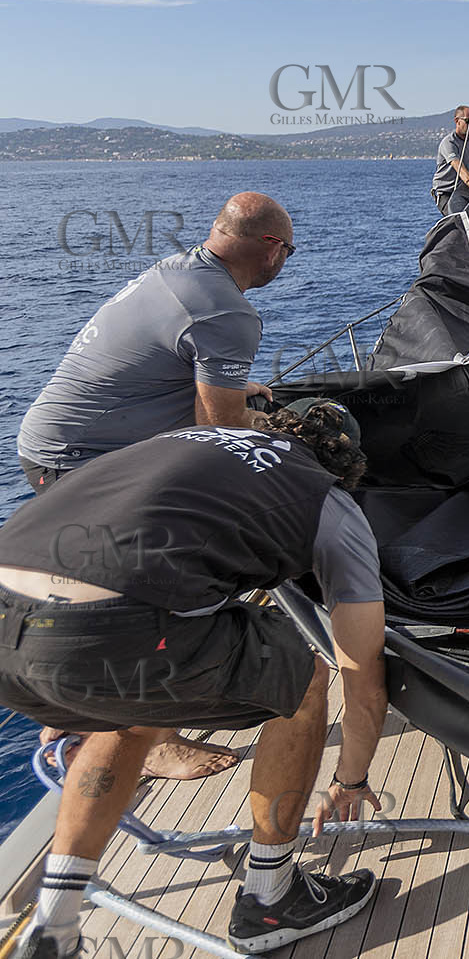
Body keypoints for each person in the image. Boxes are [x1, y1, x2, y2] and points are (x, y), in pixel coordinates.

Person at [0, 400, 388, 959]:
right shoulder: (328, 501)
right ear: (348, 467)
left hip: (12, 625)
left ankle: (52, 925)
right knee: (301, 678)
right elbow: (363, 672)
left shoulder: (186, 438)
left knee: (131, 709)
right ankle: (271, 897)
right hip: (105, 632)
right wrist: (350, 779)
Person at [16, 192, 294, 780]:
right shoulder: (229, 313)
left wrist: (239, 395)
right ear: (271, 249)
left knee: (91, 587)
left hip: (46, 443)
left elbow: (165, 369)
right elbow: (220, 433)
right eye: (288, 251)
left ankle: (68, 717)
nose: (286, 261)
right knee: (154, 590)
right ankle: (156, 739)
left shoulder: (176, 271)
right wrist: (266, 428)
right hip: (83, 459)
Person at [432, 106, 469, 215]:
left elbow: (466, 168)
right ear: (457, 121)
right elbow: (458, 166)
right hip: (446, 193)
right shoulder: (449, 143)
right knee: (458, 221)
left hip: (462, 189)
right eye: (468, 121)